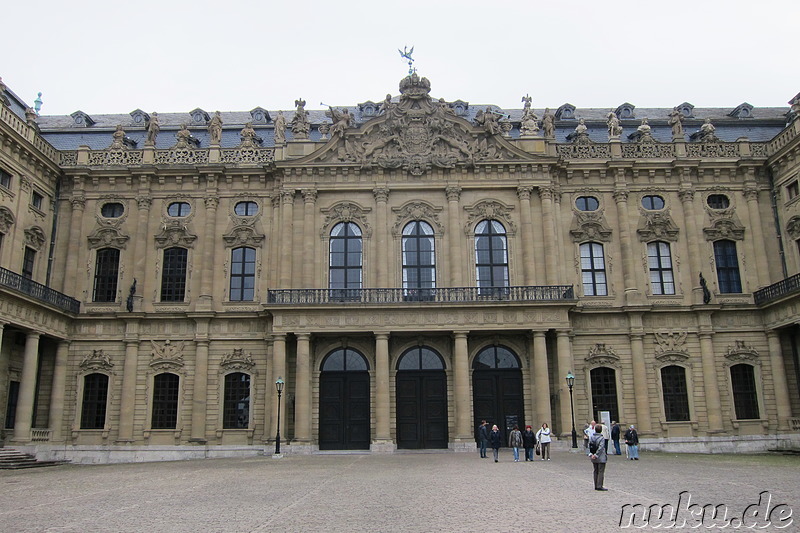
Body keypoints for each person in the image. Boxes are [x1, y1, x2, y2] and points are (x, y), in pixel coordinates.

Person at [587, 424, 608, 491]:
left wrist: (591, 454)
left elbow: (589, 446)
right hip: (600, 457)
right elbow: (601, 447)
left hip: (593, 457)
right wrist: (596, 455)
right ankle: (599, 485)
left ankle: (596, 485)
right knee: (601, 471)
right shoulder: (601, 438)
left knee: (595, 471)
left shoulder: (592, 437)